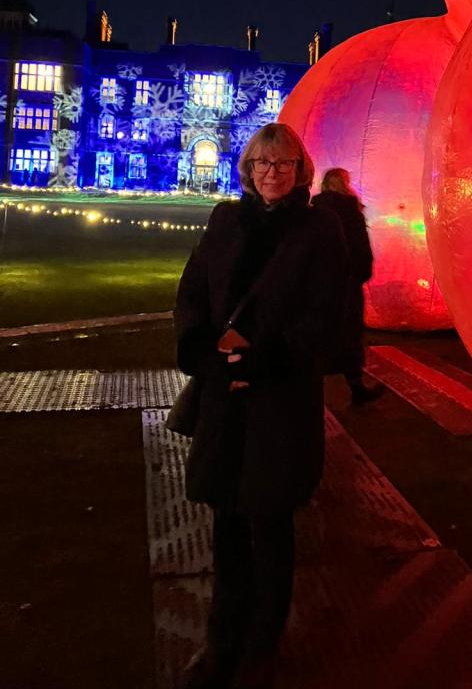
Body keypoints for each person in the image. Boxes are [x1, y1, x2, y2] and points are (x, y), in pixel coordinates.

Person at [175, 123, 348, 689]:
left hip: (279, 396)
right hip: (225, 396)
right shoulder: (226, 220)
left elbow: (327, 311)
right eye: (261, 163)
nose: (271, 172)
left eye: (283, 163)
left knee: (269, 523)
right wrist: (200, 346)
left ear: (301, 169)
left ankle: (262, 646)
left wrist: (266, 360)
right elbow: (194, 287)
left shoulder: (319, 228)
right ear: (247, 169)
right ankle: (221, 638)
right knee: (226, 520)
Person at [311, 168, 384, 404]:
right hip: (347, 285)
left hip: (319, 286)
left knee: (318, 336)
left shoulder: (313, 211)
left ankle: (310, 391)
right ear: (344, 184)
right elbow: (361, 249)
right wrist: (360, 274)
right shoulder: (351, 212)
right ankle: (355, 386)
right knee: (349, 336)